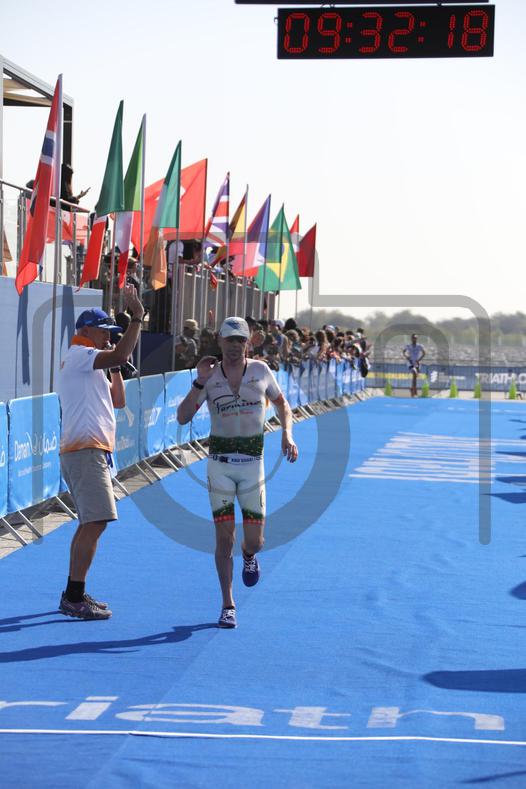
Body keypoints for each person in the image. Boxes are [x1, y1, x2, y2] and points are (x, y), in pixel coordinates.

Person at [177, 316, 298, 629]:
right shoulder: (209, 375)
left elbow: (283, 405)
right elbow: (182, 417)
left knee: (255, 541)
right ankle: (228, 604)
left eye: (240, 340)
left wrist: (287, 434)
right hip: (219, 465)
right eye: (229, 340)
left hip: (252, 466)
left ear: (248, 342)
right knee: (224, 539)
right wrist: (199, 381)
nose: (234, 346)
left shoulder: (261, 370)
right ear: (219, 341)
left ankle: (249, 555)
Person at [57, 284, 144, 619]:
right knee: (95, 521)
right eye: (104, 331)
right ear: (86, 331)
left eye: (111, 332)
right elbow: (120, 354)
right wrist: (137, 318)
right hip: (85, 451)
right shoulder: (80, 354)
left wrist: (116, 367)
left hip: (89, 451)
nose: (109, 337)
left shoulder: (87, 361)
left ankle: (74, 593)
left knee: (91, 522)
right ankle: (73, 596)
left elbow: (118, 400)